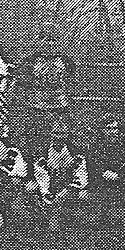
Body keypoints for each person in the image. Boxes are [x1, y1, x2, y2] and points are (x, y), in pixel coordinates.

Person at [17, 22, 76, 164]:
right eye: (46, 39)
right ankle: (34, 171)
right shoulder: (30, 61)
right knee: (36, 141)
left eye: (53, 39)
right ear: (39, 40)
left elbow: (72, 85)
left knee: (61, 140)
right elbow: (23, 87)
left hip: (59, 108)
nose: (50, 43)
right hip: (37, 108)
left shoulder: (66, 61)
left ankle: (61, 170)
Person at [25, 119, 89, 234]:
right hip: (50, 187)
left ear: (67, 134)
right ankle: (38, 218)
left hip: (68, 188)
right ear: (50, 134)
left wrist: (67, 190)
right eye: (56, 133)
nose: (58, 137)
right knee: (30, 188)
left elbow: (81, 177)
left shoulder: (75, 153)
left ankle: (72, 220)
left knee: (83, 195)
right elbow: (41, 177)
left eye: (62, 133)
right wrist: (47, 195)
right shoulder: (43, 154)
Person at [88, 109, 125, 230]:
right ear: (103, 130)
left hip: (121, 181)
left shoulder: (123, 145)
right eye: (109, 129)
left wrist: (122, 175)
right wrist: (103, 172)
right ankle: (102, 214)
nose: (113, 132)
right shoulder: (96, 146)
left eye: (115, 129)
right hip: (100, 181)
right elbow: (93, 166)